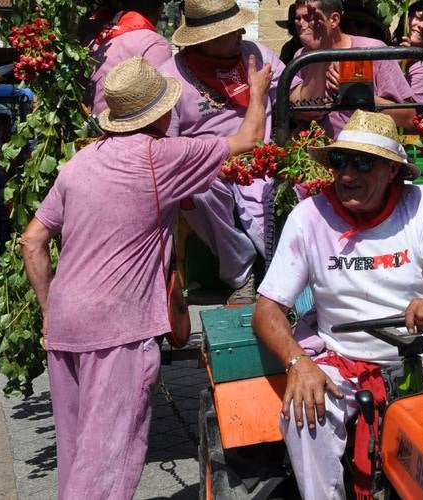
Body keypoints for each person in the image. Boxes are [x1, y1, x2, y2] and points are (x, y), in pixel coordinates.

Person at [21, 54, 271, 500]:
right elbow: (250, 138)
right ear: (162, 113)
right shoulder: (161, 158)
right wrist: (257, 91)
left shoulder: (79, 163)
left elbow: (32, 241)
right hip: (117, 326)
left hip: (64, 323)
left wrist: (46, 310)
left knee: (78, 451)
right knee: (108, 460)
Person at [253, 110, 423, 500]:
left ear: (392, 172)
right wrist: (299, 363)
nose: (348, 174)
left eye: (363, 163)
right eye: (340, 161)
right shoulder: (308, 217)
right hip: (344, 359)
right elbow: (267, 309)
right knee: (302, 416)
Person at [157, 0, 284, 303]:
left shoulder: (258, 54)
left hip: (263, 163)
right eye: (229, 30)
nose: (240, 32)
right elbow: (168, 148)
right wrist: (206, 162)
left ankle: (289, 273)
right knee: (198, 189)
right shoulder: (170, 77)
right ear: (205, 39)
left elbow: (293, 99)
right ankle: (241, 273)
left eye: (238, 25)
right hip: (207, 167)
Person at [291, 0, 415, 134]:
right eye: (298, 18)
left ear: (334, 20)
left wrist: (356, 95)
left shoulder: (373, 51)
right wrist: (319, 54)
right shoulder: (301, 57)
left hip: (366, 153)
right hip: (317, 153)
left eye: (310, 18)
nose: (302, 25)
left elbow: (410, 117)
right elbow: (301, 114)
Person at [86, 0, 173, 115]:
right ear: (160, 10)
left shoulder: (96, 38)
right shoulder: (155, 45)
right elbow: (159, 100)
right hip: (129, 128)